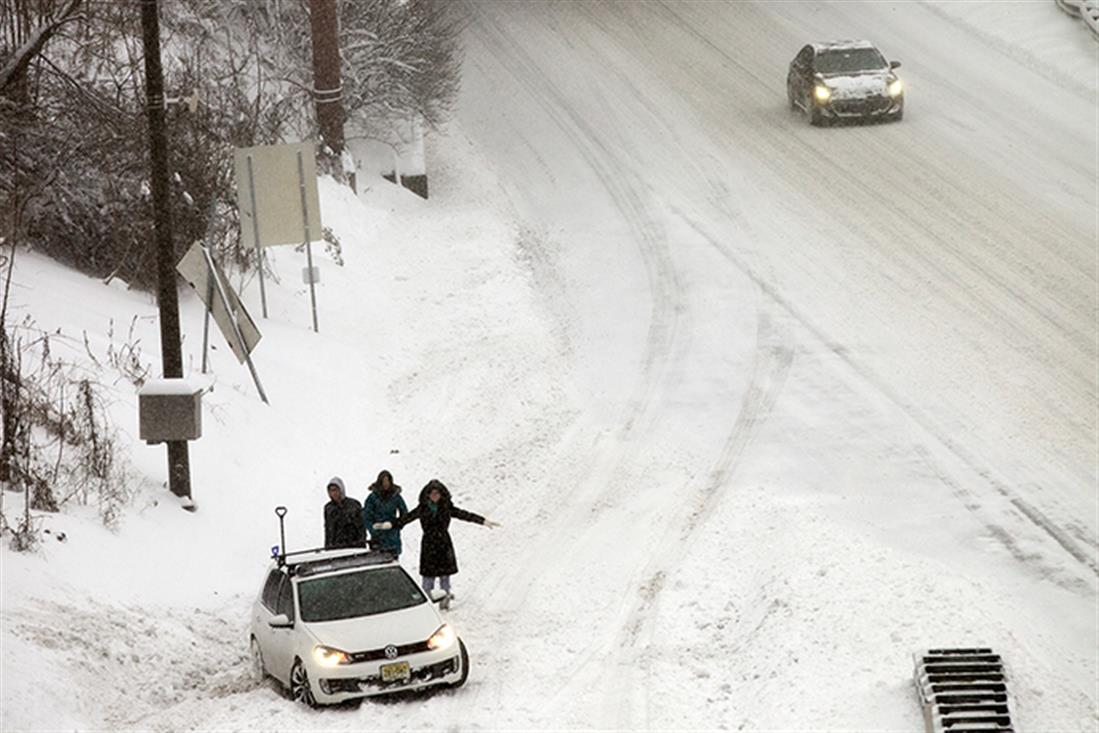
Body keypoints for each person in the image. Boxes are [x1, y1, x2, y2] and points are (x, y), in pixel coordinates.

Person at [394, 479, 500, 609]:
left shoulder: (446, 507)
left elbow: (464, 515)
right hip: (428, 544)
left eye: (437, 493)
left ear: (441, 494)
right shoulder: (422, 508)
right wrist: (392, 525)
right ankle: (427, 605)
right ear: (427, 495)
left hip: (443, 543)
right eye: (432, 493)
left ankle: (445, 601)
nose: (434, 496)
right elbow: (407, 518)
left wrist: (482, 521)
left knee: (445, 577)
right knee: (428, 577)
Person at [362, 469, 408, 556]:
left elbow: (405, 515)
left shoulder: (396, 497)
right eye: (383, 481)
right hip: (377, 540)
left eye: (387, 481)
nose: (386, 483)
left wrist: (395, 524)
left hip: (392, 540)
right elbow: (366, 516)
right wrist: (373, 529)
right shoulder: (372, 498)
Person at [323, 477, 364, 549]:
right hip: (335, 548)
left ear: (341, 490)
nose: (333, 493)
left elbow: (361, 527)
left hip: (353, 547)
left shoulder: (354, 505)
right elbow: (328, 530)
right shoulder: (328, 508)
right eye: (331, 491)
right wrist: (327, 547)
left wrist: (361, 544)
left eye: (335, 490)